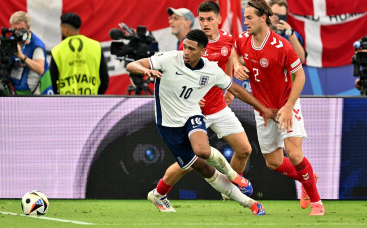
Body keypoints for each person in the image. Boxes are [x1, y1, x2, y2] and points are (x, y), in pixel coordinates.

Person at [126, 29, 276, 215]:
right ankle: (158, 195)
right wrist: (145, 70)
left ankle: (245, 194)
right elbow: (132, 65)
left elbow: (236, 90)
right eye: (185, 47)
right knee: (200, 167)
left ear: (203, 51)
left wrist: (263, 108)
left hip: (192, 114)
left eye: (191, 49)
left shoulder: (211, 70)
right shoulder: (168, 59)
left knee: (203, 151)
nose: (186, 52)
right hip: (169, 124)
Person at [150, 0, 256, 209]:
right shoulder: (190, 46)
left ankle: (230, 192)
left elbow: (226, 60)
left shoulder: (227, 40)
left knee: (244, 150)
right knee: (188, 164)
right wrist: (190, 96)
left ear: (219, 19)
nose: (205, 23)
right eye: (202, 19)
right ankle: (159, 192)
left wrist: (227, 86)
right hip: (194, 112)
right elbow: (179, 77)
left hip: (218, 107)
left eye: (209, 19)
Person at [232, 0, 324, 216]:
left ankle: (317, 203)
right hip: (263, 111)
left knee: (294, 155)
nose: (245, 22)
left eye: (249, 18)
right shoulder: (243, 40)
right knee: (273, 162)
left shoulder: (281, 45)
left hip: (285, 106)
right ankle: (308, 176)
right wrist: (236, 65)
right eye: (245, 17)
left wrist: (289, 106)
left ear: (263, 17)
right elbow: (234, 52)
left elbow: (299, 74)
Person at [50, 13, 109, 95]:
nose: (61, 31)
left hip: (67, 103)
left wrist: (59, 99)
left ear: (66, 29)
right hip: (91, 102)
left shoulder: (57, 50)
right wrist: (97, 97)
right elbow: (104, 79)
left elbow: (52, 82)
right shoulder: (96, 46)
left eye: (61, 28)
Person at [8, 11, 53, 95]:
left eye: (21, 30)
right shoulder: (11, 40)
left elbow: (40, 69)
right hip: (14, 92)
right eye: (15, 30)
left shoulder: (36, 44)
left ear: (28, 29)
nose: (17, 33)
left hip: (32, 94)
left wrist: (21, 56)